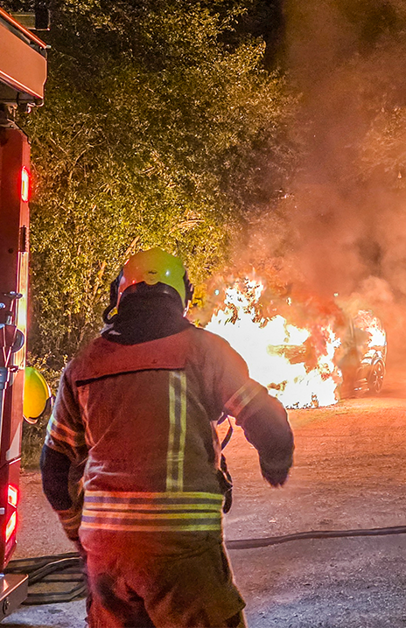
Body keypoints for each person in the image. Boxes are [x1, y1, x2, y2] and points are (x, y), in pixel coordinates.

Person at [39, 248, 294, 628]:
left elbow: (54, 468)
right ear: (181, 298)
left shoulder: (84, 365)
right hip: (180, 550)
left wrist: (80, 533)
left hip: (106, 554)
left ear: (119, 296)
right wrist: (275, 461)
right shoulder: (202, 351)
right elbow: (268, 421)